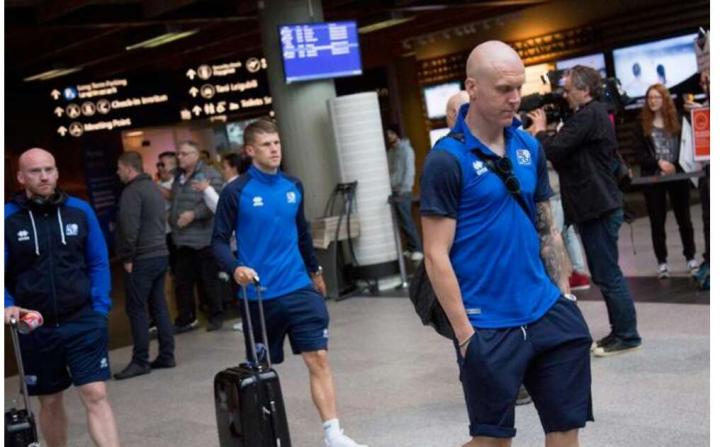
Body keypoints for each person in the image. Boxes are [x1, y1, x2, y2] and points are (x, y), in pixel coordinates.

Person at [421, 41, 592, 446]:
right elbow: (435, 253)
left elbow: (546, 228)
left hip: (544, 308)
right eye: (503, 89)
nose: (515, 98)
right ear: (472, 87)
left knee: (566, 429)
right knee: (494, 442)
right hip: (487, 323)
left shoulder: (528, 146)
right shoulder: (447, 160)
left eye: (518, 87)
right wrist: (465, 335)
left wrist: (563, 294)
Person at [212, 119, 368, 447]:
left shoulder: (293, 185)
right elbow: (218, 241)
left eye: (277, 143)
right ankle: (263, 437)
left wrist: (315, 271)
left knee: (318, 358)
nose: (274, 149)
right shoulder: (236, 191)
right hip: (259, 296)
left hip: (299, 287)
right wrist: (236, 268)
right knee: (260, 369)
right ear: (250, 150)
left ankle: (333, 434)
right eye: (266, 145)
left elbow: (302, 233)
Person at [4, 148, 121, 447]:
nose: (44, 176)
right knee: (50, 400)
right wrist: (6, 305)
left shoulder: (80, 211)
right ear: (20, 177)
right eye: (35, 171)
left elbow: (98, 262)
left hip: (83, 319)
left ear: (57, 172)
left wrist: (100, 308)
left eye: (49, 169)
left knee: (96, 393)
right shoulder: (8, 218)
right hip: (35, 325)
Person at [528, 65, 643, 357]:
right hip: (596, 206)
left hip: (598, 207)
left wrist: (540, 132)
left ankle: (627, 335)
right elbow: (567, 153)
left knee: (608, 274)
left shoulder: (590, 115)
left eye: (569, 90)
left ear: (585, 90)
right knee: (606, 274)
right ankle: (621, 331)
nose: (565, 95)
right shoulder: (591, 115)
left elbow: (555, 149)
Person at [114, 151, 176, 380]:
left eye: (119, 168)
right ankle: (167, 355)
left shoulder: (132, 191)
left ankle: (140, 360)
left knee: (137, 308)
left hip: (142, 256)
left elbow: (129, 227)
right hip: (160, 253)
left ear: (129, 169)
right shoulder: (153, 188)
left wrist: (127, 257)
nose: (117, 172)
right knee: (159, 305)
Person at [633, 84, 697, 278]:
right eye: (650, 97)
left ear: (665, 99)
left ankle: (691, 257)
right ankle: (662, 262)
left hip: (678, 176)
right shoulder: (641, 124)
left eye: (656, 97)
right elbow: (639, 154)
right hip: (654, 177)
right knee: (657, 222)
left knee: (684, 219)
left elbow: (687, 146)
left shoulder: (678, 120)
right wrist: (658, 163)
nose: (652, 101)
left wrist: (675, 165)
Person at [170, 140, 225, 332]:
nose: (180, 157)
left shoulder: (210, 175)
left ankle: (216, 316)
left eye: (184, 154)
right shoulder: (178, 177)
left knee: (209, 281)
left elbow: (215, 203)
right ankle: (186, 318)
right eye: (179, 154)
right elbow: (175, 200)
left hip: (203, 238)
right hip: (181, 239)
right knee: (182, 282)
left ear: (195, 155)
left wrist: (194, 214)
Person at [386, 125, 423, 261]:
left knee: (407, 220)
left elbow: (409, 171)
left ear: (397, 133)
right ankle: (410, 248)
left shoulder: (407, 150)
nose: (389, 136)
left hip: (404, 191)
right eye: (388, 134)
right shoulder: (391, 152)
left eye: (391, 133)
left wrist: (405, 187)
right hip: (393, 190)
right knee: (401, 222)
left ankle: (418, 248)